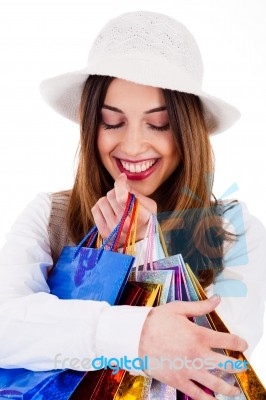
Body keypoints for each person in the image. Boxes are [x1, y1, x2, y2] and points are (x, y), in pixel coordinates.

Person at [0, 10, 265, 399]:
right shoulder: (49, 215)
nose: (133, 146)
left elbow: (219, 376)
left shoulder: (233, 232)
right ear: (92, 126)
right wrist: (138, 334)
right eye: (112, 121)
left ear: (188, 130)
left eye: (159, 124)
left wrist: (143, 254)